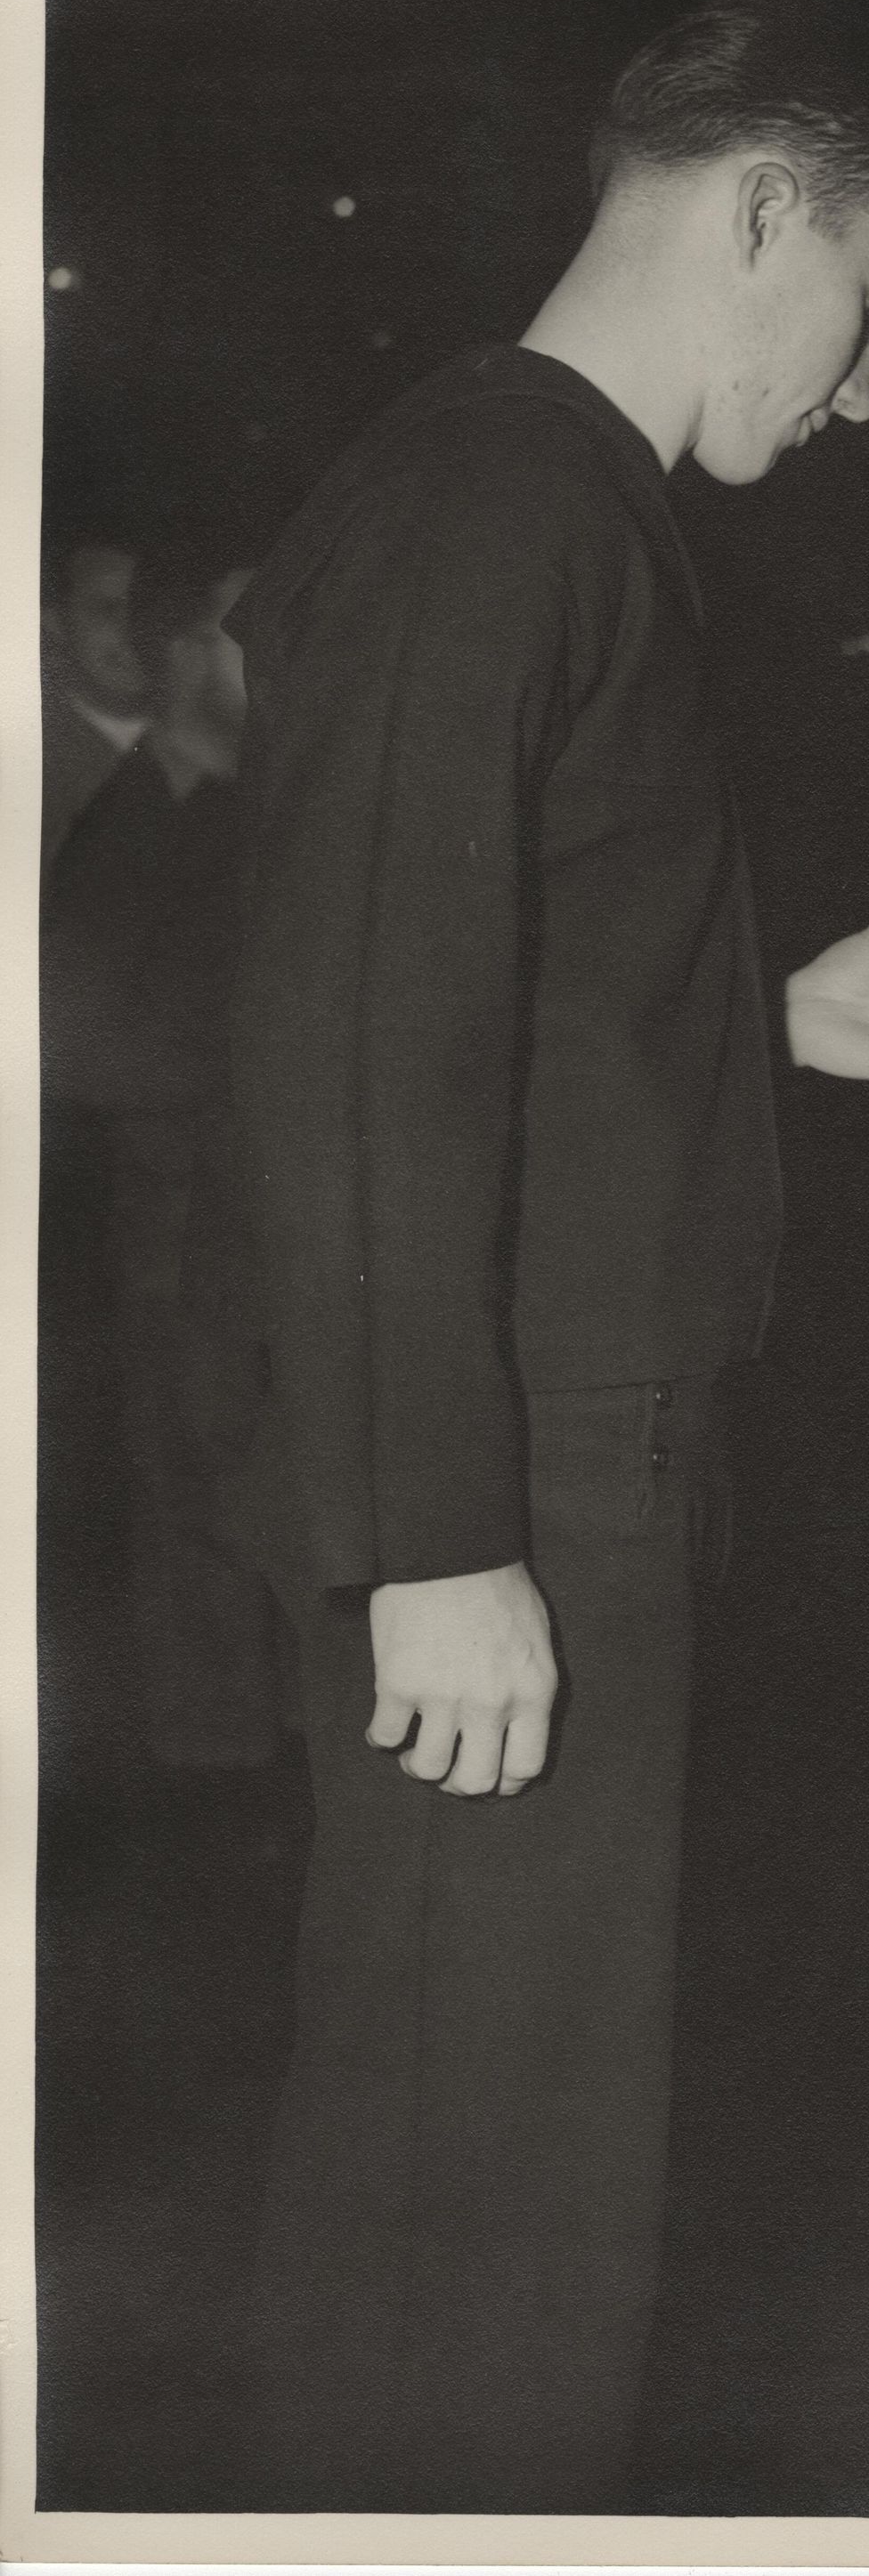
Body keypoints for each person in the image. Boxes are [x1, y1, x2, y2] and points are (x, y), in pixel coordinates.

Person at [189, 0, 869, 2513]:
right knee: (486, 2188)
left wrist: (779, 1018)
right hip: (514, 1488)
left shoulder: (549, 508)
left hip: (555, 1456)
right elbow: (354, 1046)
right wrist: (434, 1538)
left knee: (518, 2165)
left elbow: (504, 999)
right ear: (766, 205)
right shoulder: (508, 504)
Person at [44, 546, 286, 1773]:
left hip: (253, 1248)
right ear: (184, 652)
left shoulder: (255, 810)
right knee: (205, 1559)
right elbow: (68, 1054)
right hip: (175, 1260)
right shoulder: (129, 829)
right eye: (253, 632)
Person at [41, 532, 149, 874]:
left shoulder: (212, 728)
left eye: (144, 607)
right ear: (56, 623)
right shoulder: (43, 765)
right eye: (107, 609)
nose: (132, 629)